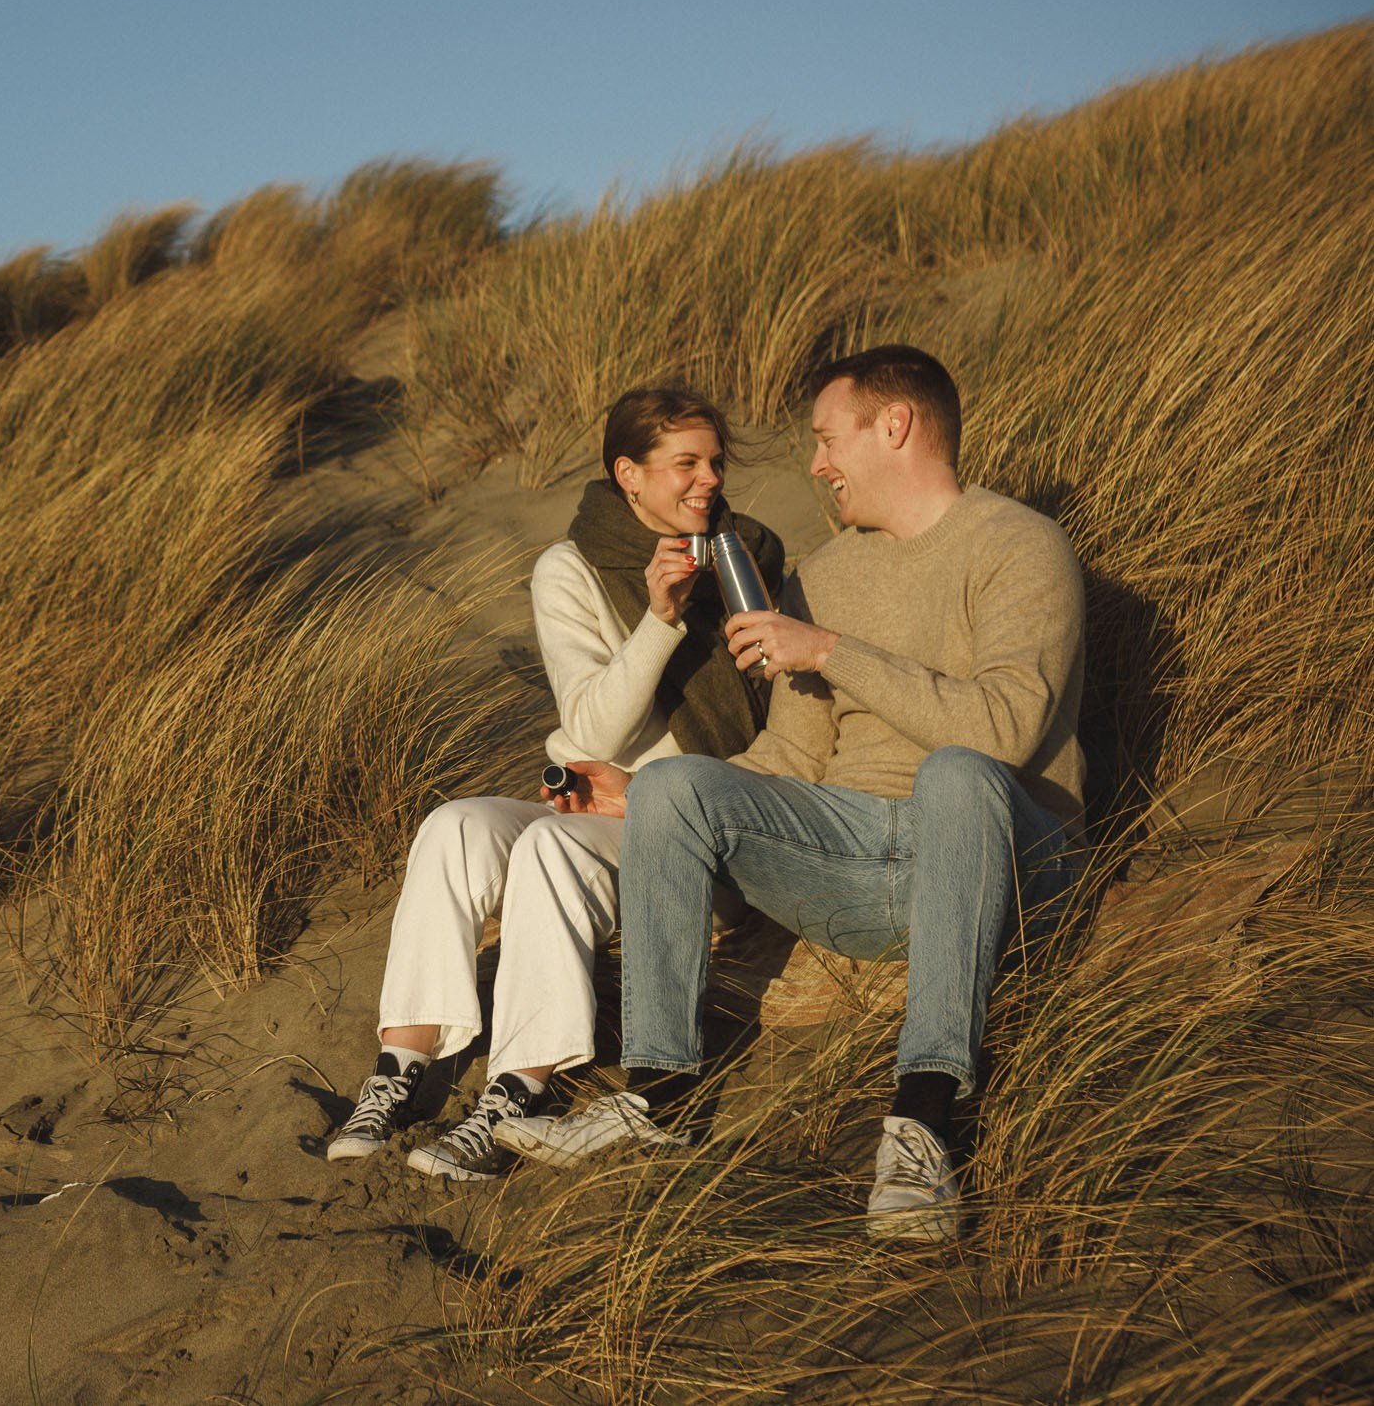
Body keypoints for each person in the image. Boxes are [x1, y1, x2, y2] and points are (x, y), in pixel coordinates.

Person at [495, 345, 1084, 1241]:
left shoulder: (1019, 544)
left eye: (825, 438)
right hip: (855, 864)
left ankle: (923, 1122)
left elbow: (1006, 730)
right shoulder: (827, 572)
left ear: (895, 426)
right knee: (679, 786)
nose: (814, 464)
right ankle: (660, 1091)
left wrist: (833, 653)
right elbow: (791, 756)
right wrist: (647, 800)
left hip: (1003, 851)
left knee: (957, 772)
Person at [325, 384, 785, 1180]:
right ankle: (401, 1067)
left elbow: (737, 728)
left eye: (714, 461)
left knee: (551, 846)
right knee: (453, 826)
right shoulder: (567, 568)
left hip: (698, 817)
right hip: (598, 799)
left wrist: (631, 762)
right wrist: (659, 619)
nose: (709, 479)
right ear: (629, 475)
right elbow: (592, 728)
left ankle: (515, 1090)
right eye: (686, 463)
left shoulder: (749, 554)